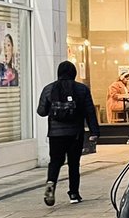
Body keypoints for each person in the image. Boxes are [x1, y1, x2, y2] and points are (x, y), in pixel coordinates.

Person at [36, 61, 99, 205]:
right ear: (74, 73)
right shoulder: (82, 89)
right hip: (75, 133)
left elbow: (41, 111)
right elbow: (90, 111)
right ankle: (74, 194)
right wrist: (94, 131)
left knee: (55, 161)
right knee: (74, 163)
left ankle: (51, 182)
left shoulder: (49, 89)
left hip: (55, 134)